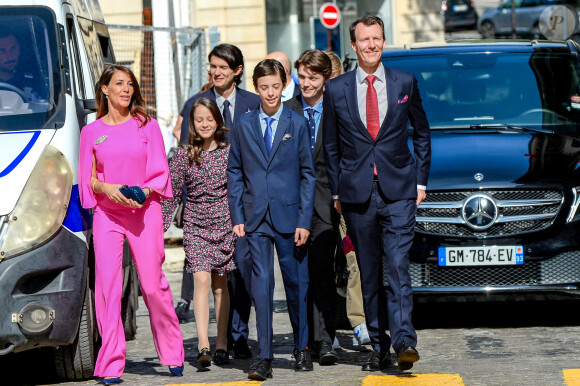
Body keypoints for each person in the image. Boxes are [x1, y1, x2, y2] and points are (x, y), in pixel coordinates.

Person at [323, 15, 431, 372]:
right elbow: (331, 146)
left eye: (377, 39)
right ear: (353, 46)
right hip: (356, 195)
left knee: (398, 267)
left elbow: (422, 132)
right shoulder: (336, 90)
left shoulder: (405, 82)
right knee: (368, 273)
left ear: (384, 41)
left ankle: (404, 342)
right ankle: (377, 345)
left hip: (399, 191)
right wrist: (338, 189)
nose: (371, 45)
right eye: (364, 40)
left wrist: (420, 181)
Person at [78, 65, 184, 384]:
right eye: (119, 83)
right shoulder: (91, 132)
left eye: (130, 84)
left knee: (152, 286)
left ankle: (172, 351)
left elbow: (160, 173)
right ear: (105, 89)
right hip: (108, 216)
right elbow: (88, 180)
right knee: (108, 289)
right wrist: (108, 188)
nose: (126, 89)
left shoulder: (147, 126)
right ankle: (110, 362)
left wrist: (144, 192)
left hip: (145, 211)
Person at [227, 59, 316, 380]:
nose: (270, 93)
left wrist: (305, 220)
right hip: (254, 218)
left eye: (276, 86)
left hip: (291, 217)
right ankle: (263, 355)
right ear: (256, 88)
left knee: (296, 283)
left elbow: (308, 174)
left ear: (284, 84)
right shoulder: (243, 124)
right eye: (264, 87)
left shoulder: (297, 122)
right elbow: (234, 171)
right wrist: (237, 214)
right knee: (261, 286)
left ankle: (302, 347)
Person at [173, 45, 259, 361]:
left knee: (240, 274)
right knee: (209, 278)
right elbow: (183, 160)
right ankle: (215, 342)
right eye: (213, 67)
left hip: (243, 205)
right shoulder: (194, 104)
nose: (217, 72)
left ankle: (237, 336)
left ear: (237, 70)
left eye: (224, 67)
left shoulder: (253, 103)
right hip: (202, 214)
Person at [162, 97, 237, 367]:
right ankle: (203, 343)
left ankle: (221, 343)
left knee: (220, 285)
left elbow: (239, 189)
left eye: (209, 118)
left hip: (224, 224)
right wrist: (159, 228)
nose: (204, 124)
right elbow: (171, 194)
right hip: (196, 225)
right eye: (199, 120)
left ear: (217, 120)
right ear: (192, 124)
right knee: (202, 281)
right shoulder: (183, 154)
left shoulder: (229, 152)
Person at [283, 49, 339, 365]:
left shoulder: (337, 110)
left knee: (322, 273)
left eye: (312, 78)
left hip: (327, 204)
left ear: (325, 80)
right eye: (301, 77)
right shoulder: (286, 111)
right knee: (297, 275)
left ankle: (325, 340)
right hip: (291, 206)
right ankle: (303, 341)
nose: (305, 83)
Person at [323, 49, 371, 348]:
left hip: (347, 197)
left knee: (354, 258)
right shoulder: (305, 110)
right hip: (318, 198)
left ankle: (358, 321)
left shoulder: (353, 105)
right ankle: (326, 329)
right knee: (323, 263)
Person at [0, 26, 46, 99]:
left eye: (13, 49)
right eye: (2, 51)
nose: (10, 57)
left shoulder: (35, 77)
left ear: (19, 48)